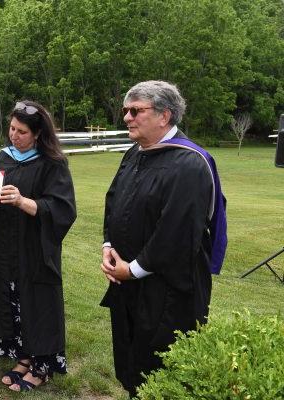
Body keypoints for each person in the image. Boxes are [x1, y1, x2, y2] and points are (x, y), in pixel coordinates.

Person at [100, 80, 227, 398]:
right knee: (132, 358)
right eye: (125, 110)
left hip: (168, 290)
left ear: (164, 115)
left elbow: (177, 234)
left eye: (135, 110)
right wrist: (108, 247)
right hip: (127, 281)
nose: (127, 117)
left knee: (159, 366)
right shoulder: (135, 153)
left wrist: (132, 270)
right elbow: (114, 200)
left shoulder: (189, 164)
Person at [0, 100, 77, 392]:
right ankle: (24, 358)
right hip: (3, 247)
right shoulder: (3, 158)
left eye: (22, 131)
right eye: (12, 128)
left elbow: (63, 208)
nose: (14, 135)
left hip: (33, 248)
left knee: (37, 303)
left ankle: (42, 367)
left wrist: (24, 202)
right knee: (13, 301)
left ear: (37, 134)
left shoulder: (52, 163)